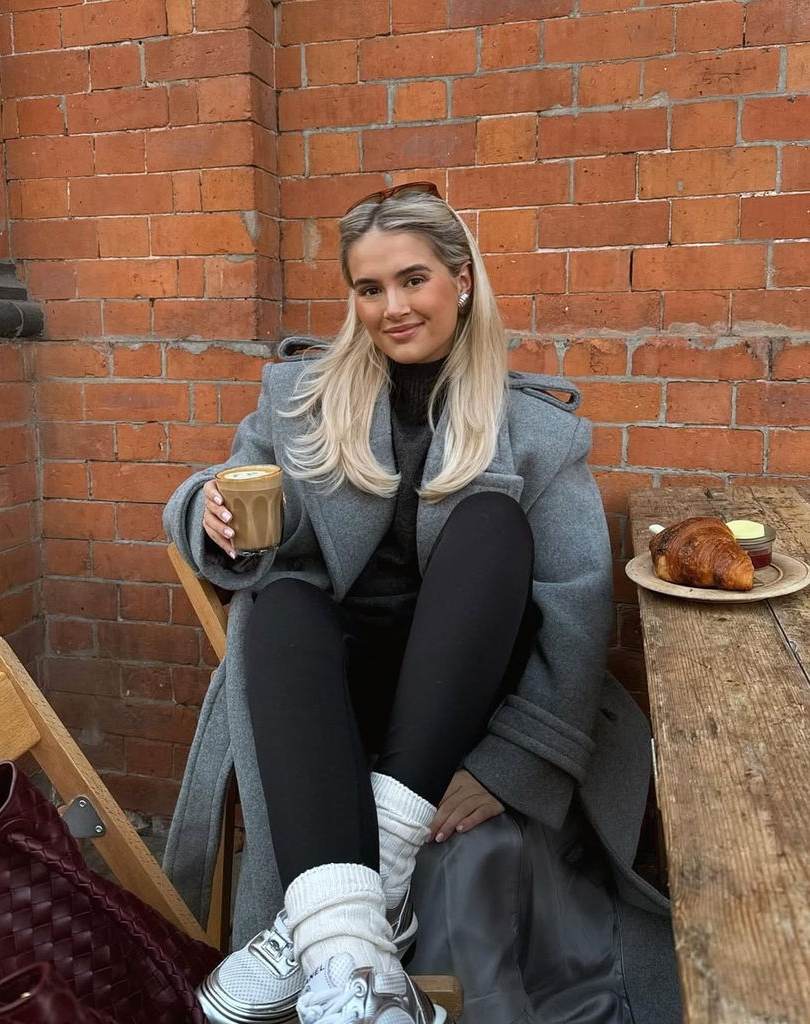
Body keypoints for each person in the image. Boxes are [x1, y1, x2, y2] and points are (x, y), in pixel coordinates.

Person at [163, 183, 680, 1024]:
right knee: (283, 600)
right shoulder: (296, 397)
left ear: (462, 279)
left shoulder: (538, 432)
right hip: (329, 693)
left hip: (466, 700)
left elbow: (579, 608)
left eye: (413, 280)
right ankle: (352, 955)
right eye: (369, 289)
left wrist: (507, 763)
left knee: (489, 525)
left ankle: (355, 892)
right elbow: (250, 511)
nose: (391, 308)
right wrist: (211, 510)